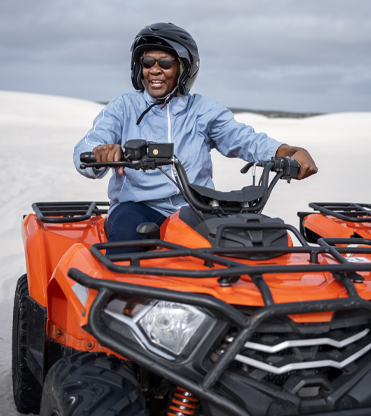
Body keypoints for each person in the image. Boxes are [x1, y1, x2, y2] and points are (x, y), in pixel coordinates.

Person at [74, 22, 317, 249]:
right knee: (127, 238)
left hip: (196, 209)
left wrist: (289, 152)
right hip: (138, 206)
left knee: (245, 247)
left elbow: (245, 139)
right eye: (148, 62)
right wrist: (99, 153)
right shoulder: (124, 107)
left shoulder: (202, 110)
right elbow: (87, 147)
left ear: (183, 68)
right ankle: (126, 295)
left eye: (165, 63)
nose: (154, 70)